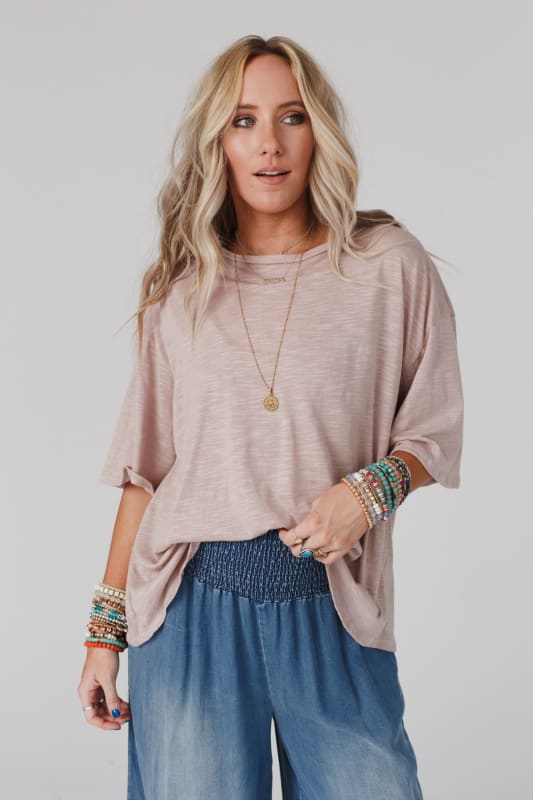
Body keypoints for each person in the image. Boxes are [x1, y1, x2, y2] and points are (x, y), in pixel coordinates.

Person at [77, 34, 464, 800]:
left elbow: (434, 429)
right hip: (191, 610)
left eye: (291, 116)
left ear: (318, 130)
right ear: (217, 141)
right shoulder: (184, 291)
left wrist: (368, 492)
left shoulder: (386, 266)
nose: (268, 144)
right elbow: (144, 473)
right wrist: (103, 633)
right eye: (243, 120)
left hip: (333, 606)